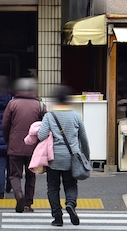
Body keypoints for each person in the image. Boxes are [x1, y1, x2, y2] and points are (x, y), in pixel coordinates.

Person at [38, 85, 90, 227]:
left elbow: (41, 135)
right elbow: (83, 139)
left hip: (53, 158)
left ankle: (57, 218)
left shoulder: (49, 116)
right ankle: (71, 204)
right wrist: (86, 157)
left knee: (53, 187)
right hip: (72, 158)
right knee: (71, 184)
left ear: (55, 100)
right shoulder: (76, 116)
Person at [2, 77, 46, 214]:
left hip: (15, 144)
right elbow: (46, 125)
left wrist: (8, 139)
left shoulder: (12, 104)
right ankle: (28, 204)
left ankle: (18, 195)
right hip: (33, 147)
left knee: (14, 175)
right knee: (31, 175)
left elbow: (5, 124)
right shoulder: (40, 105)